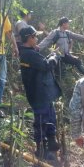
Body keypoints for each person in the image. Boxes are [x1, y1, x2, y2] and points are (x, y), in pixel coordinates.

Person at [19, 26, 62, 159]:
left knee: (50, 116)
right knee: (41, 120)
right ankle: (40, 148)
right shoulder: (29, 54)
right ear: (29, 38)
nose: (37, 39)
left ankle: (51, 142)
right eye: (35, 36)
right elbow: (46, 65)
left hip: (42, 93)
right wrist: (54, 56)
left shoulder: (28, 52)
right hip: (38, 94)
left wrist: (50, 56)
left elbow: (41, 64)